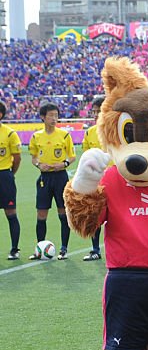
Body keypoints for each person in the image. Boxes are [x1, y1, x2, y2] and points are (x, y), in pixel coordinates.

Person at [28, 103, 75, 259]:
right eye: (51, 115)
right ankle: (39, 248)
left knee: (63, 213)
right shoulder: (36, 136)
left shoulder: (64, 135)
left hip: (60, 177)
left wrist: (63, 164)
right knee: (41, 214)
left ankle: (64, 249)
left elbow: (72, 156)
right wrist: (39, 164)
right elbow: (33, 158)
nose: (54, 118)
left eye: (56, 115)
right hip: (44, 178)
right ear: (43, 117)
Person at [80, 96, 106, 261]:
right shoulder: (89, 133)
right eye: (95, 111)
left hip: (114, 178)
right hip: (96, 180)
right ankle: (95, 249)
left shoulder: (113, 130)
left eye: (99, 111)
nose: (96, 114)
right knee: (95, 215)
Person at [0, 101, 22, 260]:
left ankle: (14, 249)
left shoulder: (9, 133)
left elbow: (17, 158)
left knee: (11, 213)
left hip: (4, 177)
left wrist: (10, 174)